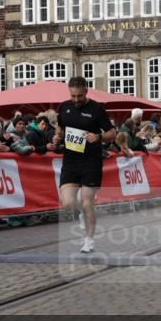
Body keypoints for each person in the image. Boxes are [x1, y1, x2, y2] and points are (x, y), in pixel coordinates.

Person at [54, 76, 115, 253]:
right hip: (71, 161)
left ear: (86, 92)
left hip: (91, 162)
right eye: (73, 96)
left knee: (88, 202)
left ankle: (89, 240)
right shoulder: (64, 107)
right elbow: (61, 127)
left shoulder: (96, 109)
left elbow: (112, 132)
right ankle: (81, 212)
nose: (76, 100)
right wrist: (58, 136)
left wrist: (99, 137)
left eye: (79, 96)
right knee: (67, 202)